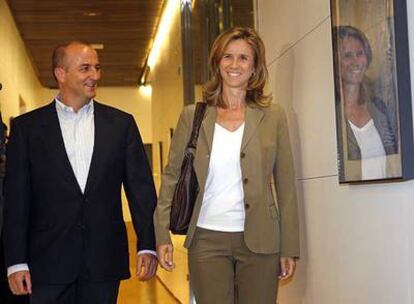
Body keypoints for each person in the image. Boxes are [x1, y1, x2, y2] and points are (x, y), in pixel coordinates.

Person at [3, 41, 158, 304]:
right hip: (46, 263)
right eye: (85, 68)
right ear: (60, 74)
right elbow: (16, 200)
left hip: (103, 261)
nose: (95, 75)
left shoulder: (121, 125)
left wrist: (147, 243)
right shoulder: (27, 129)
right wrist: (16, 262)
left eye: (97, 67)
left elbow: (141, 190)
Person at [154, 27, 300, 304]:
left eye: (244, 58)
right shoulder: (192, 116)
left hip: (262, 241)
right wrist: (161, 234)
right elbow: (172, 178)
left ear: (255, 67)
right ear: (217, 63)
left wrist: (289, 247)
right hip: (207, 240)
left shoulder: (273, 117)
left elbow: (287, 186)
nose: (235, 65)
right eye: (228, 57)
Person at [333, 25, 399, 181]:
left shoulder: (380, 109)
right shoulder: (331, 118)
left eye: (360, 53)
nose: (356, 62)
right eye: (347, 55)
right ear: (335, 62)